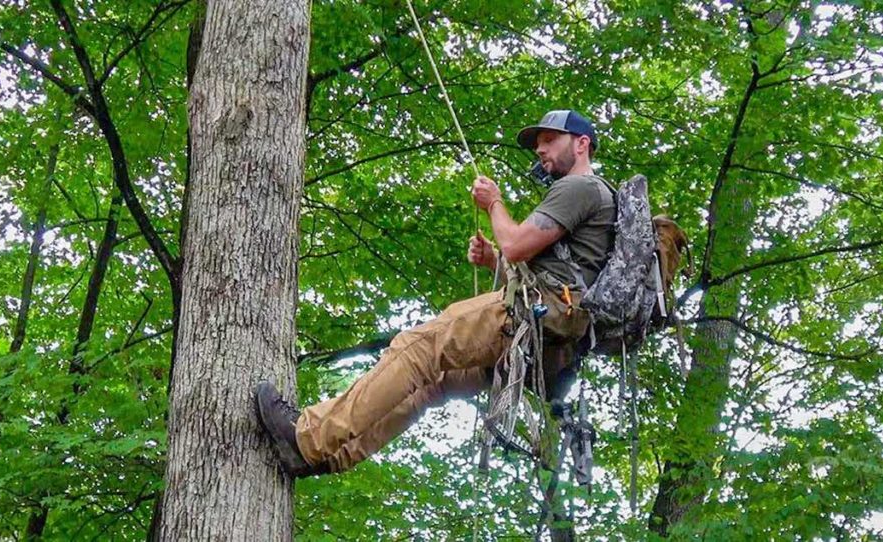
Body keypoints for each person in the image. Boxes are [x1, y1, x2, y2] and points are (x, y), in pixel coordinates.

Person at [256, 110, 616, 477]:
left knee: (418, 348)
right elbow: (551, 271)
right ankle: (335, 456)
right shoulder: (598, 199)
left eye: (550, 140)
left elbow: (518, 246)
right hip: (549, 340)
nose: (540, 149)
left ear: (582, 144)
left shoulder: (580, 187)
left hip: (535, 316)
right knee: (432, 385)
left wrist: (494, 203)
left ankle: (308, 439)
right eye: (538, 143)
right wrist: (494, 261)